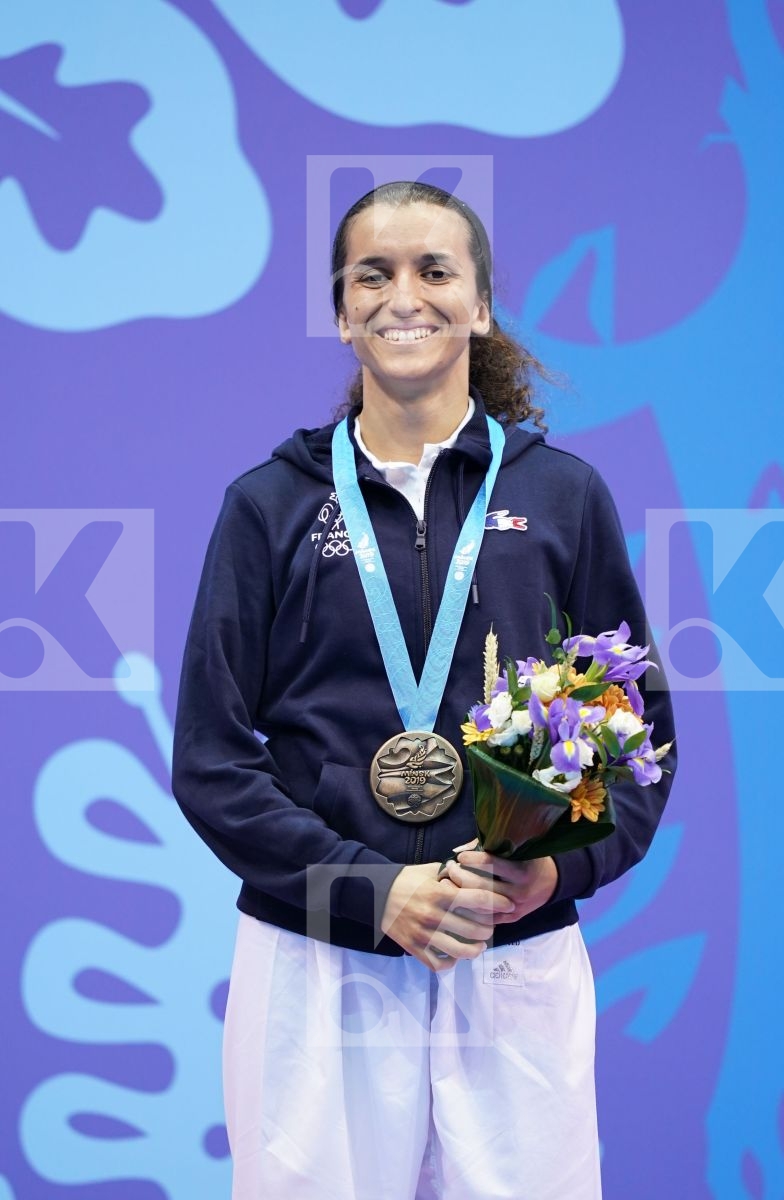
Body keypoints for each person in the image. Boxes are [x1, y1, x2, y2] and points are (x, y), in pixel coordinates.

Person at [171, 180, 677, 1200]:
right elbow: (212, 762)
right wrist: (371, 890)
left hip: (509, 946)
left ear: (479, 306)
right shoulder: (268, 507)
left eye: (434, 270)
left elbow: (633, 739)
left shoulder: (559, 496)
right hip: (319, 951)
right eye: (373, 275)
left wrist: (554, 873)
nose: (404, 295)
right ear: (341, 313)